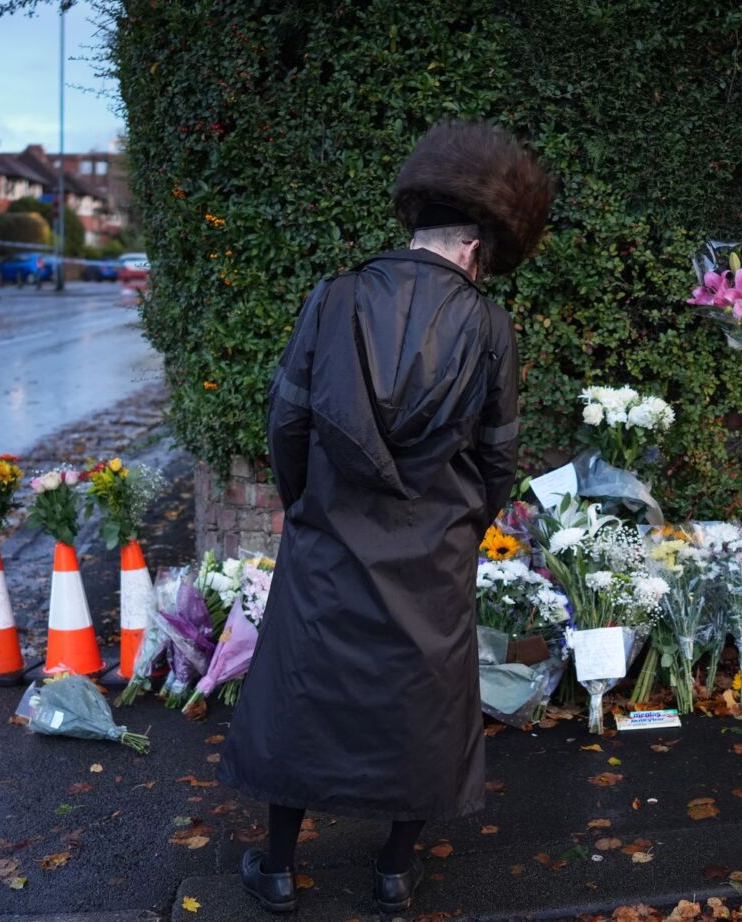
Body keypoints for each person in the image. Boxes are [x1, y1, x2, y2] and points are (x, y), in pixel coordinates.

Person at [218, 119, 554, 915]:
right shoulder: (490, 328)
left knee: (302, 692)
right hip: (431, 548)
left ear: (420, 222)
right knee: (421, 704)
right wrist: (461, 524)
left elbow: (288, 423)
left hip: (330, 532)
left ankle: (274, 867)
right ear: (475, 247)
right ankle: (395, 872)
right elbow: (498, 457)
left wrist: (310, 508)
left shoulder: (333, 298)